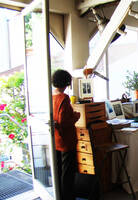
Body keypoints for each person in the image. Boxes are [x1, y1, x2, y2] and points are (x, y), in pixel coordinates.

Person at [52, 69, 80, 200]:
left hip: (56, 139)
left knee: (58, 170)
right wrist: (76, 116)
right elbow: (64, 121)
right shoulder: (64, 98)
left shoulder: (51, 97)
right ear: (66, 82)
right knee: (68, 172)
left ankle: (60, 195)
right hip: (67, 140)